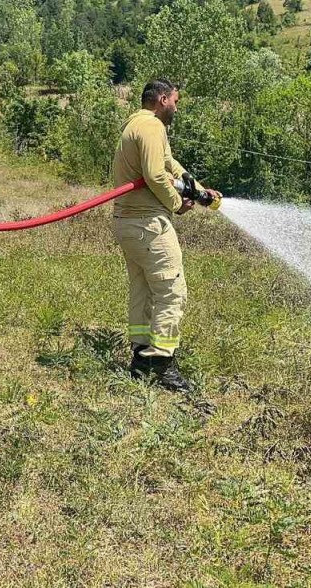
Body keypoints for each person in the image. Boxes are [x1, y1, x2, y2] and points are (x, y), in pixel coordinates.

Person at [110, 80, 220, 393]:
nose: (177, 106)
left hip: (127, 223)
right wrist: (177, 204)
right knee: (172, 291)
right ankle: (160, 364)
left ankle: (141, 357)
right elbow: (156, 175)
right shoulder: (153, 127)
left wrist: (198, 191)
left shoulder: (137, 124)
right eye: (175, 100)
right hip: (148, 225)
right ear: (162, 99)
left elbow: (170, 165)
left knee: (143, 289)